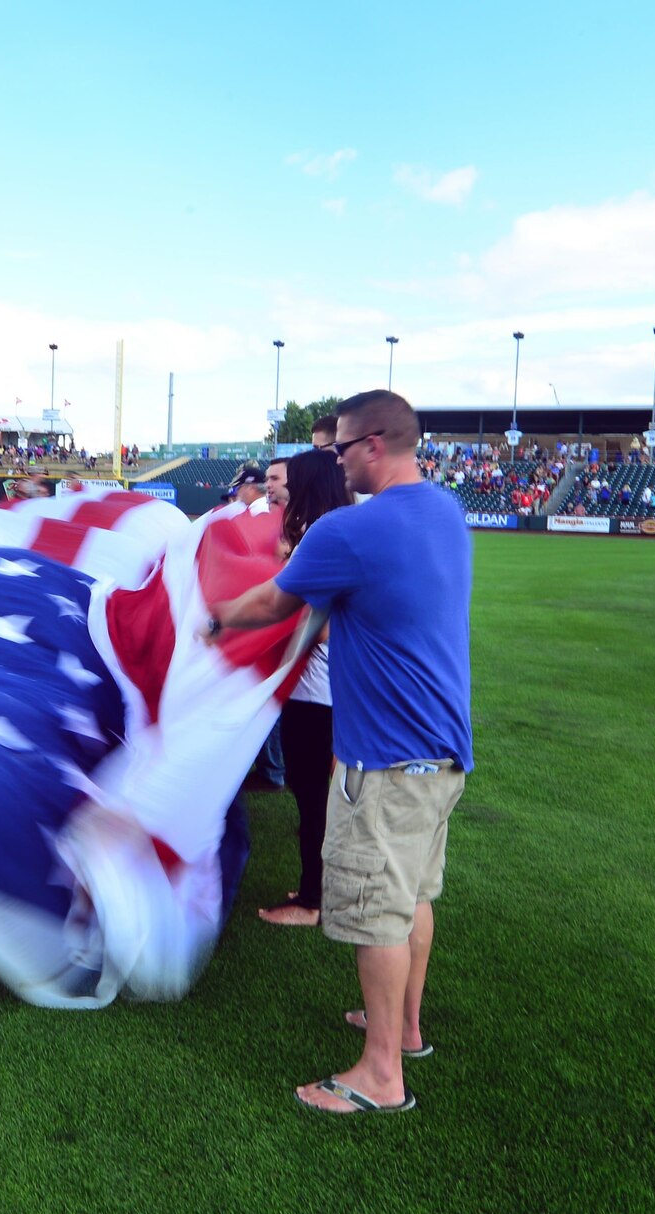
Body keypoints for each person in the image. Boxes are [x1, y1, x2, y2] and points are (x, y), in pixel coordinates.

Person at [206, 389, 471, 1116]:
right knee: (414, 895)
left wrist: (213, 616)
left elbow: (270, 603)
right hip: (444, 749)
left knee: (378, 913)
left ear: (375, 444)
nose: (336, 459)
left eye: (341, 447)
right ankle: (407, 1027)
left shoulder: (351, 530)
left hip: (385, 755)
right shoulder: (447, 512)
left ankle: (381, 1073)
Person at [257, 447, 353, 927]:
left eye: (290, 481)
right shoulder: (337, 532)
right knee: (315, 793)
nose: (283, 489)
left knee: (313, 794)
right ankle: (319, 888)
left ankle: (313, 901)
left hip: (317, 692)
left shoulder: (324, 536)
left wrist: (271, 627)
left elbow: (325, 625)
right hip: (325, 690)